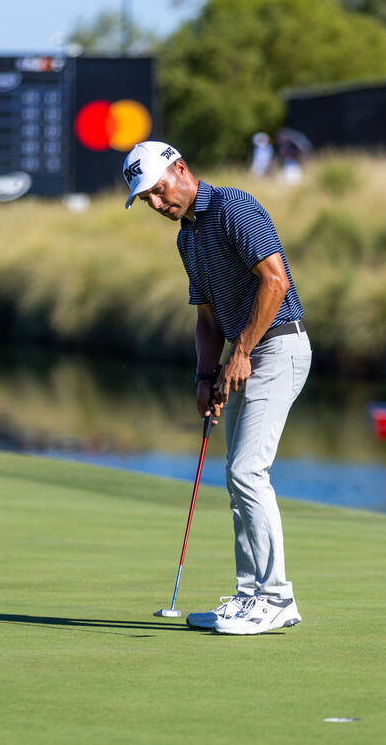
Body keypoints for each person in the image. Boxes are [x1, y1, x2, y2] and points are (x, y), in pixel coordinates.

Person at [123, 140, 311, 635]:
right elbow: (206, 317)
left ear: (180, 169)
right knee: (237, 477)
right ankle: (250, 595)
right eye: (148, 201)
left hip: (278, 347)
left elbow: (275, 283)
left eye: (159, 191)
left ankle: (277, 597)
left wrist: (241, 352)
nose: (158, 205)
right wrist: (206, 375)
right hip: (241, 356)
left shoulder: (234, 208)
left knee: (249, 470)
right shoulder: (187, 238)